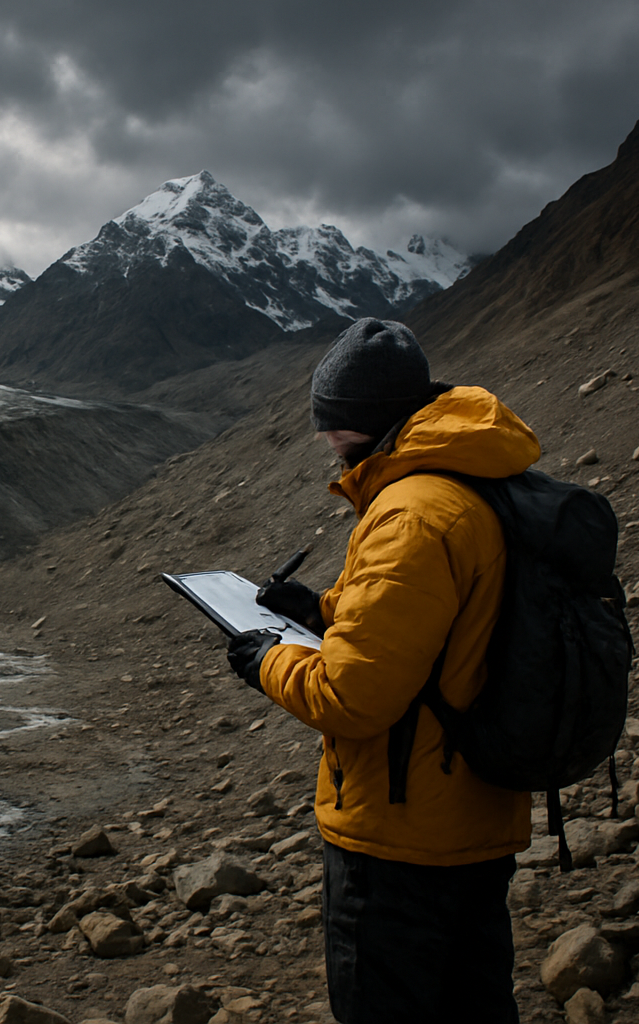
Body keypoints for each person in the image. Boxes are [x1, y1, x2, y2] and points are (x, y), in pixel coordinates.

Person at [226, 317, 538, 1024]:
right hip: (474, 809)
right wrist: (320, 611)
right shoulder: (474, 478)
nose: (325, 442)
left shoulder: (410, 516)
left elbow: (353, 697)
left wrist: (266, 659)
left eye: (330, 426)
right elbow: (439, 624)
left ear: (360, 422)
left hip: (402, 832)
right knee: (475, 1004)